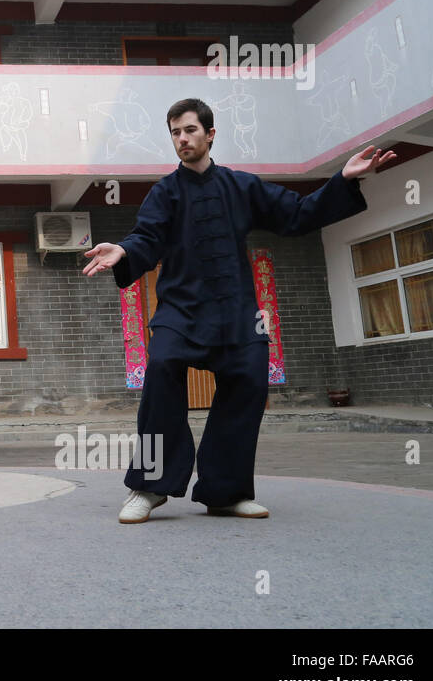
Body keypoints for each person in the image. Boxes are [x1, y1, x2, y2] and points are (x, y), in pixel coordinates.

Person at [82, 97, 393, 524]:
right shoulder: (165, 192)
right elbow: (147, 237)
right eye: (174, 132)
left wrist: (343, 179)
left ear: (210, 134)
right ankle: (149, 487)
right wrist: (123, 249)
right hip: (181, 310)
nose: (182, 139)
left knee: (249, 378)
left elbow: (297, 214)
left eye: (189, 130)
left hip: (238, 311)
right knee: (161, 366)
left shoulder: (242, 186)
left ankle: (225, 491)